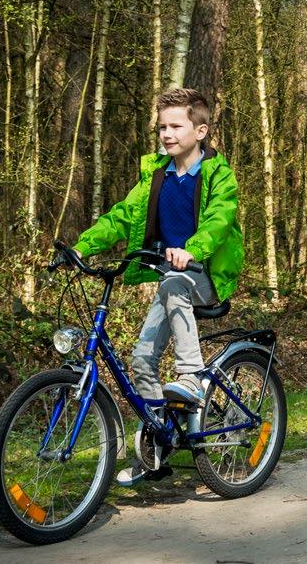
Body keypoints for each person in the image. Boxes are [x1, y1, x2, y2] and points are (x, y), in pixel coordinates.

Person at [71, 88, 243, 482]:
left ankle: (191, 377)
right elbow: (121, 216)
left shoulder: (218, 174)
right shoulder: (157, 175)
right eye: (162, 127)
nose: (166, 134)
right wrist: (82, 246)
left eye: (176, 126)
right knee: (142, 360)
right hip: (172, 280)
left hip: (206, 274)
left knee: (175, 284)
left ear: (200, 131)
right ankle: (158, 445)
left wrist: (191, 249)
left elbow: (219, 219)